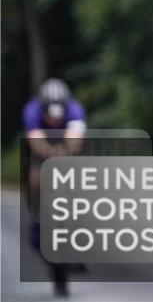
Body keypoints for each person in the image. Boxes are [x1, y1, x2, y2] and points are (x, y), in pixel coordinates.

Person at [23, 78, 87, 252]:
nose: (53, 120)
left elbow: (75, 140)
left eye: (58, 117)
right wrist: (49, 154)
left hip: (65, 146)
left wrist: (66, 153)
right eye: (49, 116)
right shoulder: (32, 111)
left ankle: (77, 231)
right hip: (41, 147)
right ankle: (36, 218)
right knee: (35, 176)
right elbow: (36, 142)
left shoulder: (75, 110)